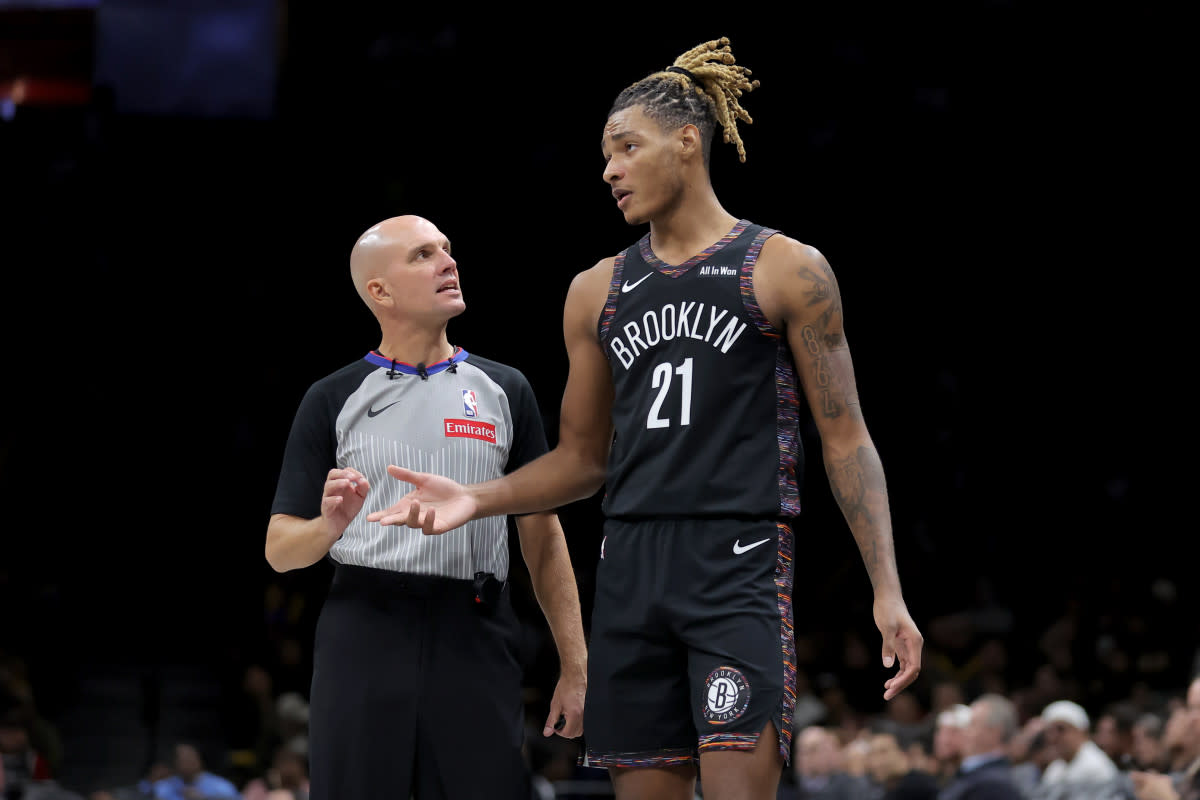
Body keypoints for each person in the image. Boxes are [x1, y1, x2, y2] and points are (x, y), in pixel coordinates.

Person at [366, 37, 923, 800]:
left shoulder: (786, 268)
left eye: (628, 147)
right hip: (630, 567)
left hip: (738, 560)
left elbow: (847, 436)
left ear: (689, 142)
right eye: (605, 154)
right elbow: (582, 459)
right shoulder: (596, 290)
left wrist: (885, 587)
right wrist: (480, 498)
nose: (609, 170)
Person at [265, 215, 588, 800]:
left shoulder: (505, 388)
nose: (447, 262)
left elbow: (542, 534)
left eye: (447, 249)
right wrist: (328, 526)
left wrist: (576, 665)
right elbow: (280, 551)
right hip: (365, 626)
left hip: (475, 628)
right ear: (378, 291)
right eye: (422, 255)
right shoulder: (331, 397)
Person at [938, 693, 1027, 800]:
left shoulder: (994, 784)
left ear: (994, 733)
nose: (965, 732)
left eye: (972, 724)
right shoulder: (973, 774)